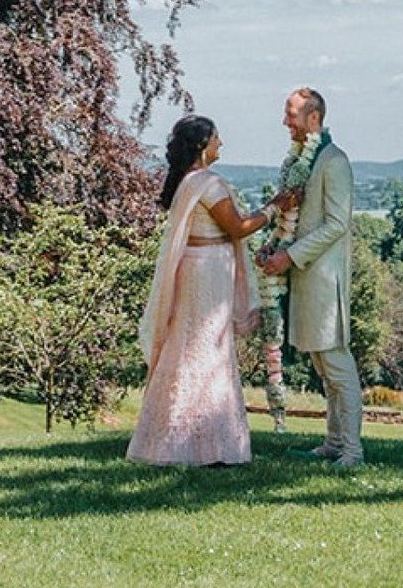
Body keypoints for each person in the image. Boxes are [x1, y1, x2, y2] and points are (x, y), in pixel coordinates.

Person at [128, 114, 292, 466]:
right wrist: (275, 207)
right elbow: (237, 227)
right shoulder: (208, 182)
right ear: (203, 145)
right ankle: (212, 444)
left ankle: (169, 440)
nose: (222, 143)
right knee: (208, 345)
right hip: (209, 269)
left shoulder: (185, 182)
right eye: (217, 138)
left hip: (194, 266)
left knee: (186, 342)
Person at [257, 86, 363, 469]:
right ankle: (334, 444)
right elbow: (296, 222)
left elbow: (337, 224)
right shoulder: (305, 159)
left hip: (323, 280)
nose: (285, 121)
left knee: (337, 366)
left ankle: (353, 451)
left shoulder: (334, 161)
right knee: (322, 367)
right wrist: (273, 248)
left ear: (313, 118)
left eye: (291, 114)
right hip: (306, 278)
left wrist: (290, 256)